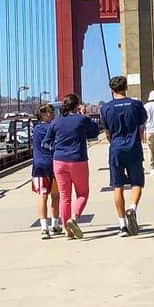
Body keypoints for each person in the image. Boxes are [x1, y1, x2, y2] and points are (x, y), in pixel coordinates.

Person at [42, 93, 99, 240]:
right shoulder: (82, 119)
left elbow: (46, 142)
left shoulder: (55, 122)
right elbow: (94, 133)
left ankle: (67, 231)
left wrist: (56, 149)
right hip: (78, 160)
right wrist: (84, 115)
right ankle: (73, 218)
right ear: (76, 106)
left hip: (59, 161)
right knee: (82, 194)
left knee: (65, 197)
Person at [99, 75, 147, 237]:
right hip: (133, 147)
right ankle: (132, 208)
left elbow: (107, 133)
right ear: (126, 88)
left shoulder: (105, 108)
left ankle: (122, 226)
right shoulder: (136, 105)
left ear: (111, 90)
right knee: (137, 183)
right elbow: (141, 128)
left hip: (116, 149)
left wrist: (114, 142)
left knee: (117, 186)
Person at [30, 103, 62, 238]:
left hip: (39, 166)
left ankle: (44, 227)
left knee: (42, 195)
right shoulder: (54, 127)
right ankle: (55, 223)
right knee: (56, 195)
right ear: (44, 115)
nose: (54, 115)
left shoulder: (36, 129)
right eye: (51, 112)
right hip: (54, 164)